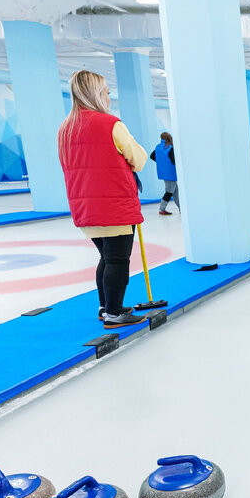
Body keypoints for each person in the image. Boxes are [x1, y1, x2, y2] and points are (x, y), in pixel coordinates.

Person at [57, 70, 149, 329]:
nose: (109, 96)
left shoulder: (66, 129)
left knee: (107, 258)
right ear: (96, 94)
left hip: (85, 208)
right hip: (114, 205)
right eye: (106, 91)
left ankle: (105, 306)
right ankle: (114, 312)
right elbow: (139, 159)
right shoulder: (110, 124)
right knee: (118, 261)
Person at [150, 132, 178, 216]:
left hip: (163, 172)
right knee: (169, 191)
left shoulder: (158, 147)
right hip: (171, 173)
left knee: (176, 191)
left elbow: (152, 156)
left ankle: (181, 208)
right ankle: (162, 209)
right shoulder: (170, 148)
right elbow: (174, 161)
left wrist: (162, 163)